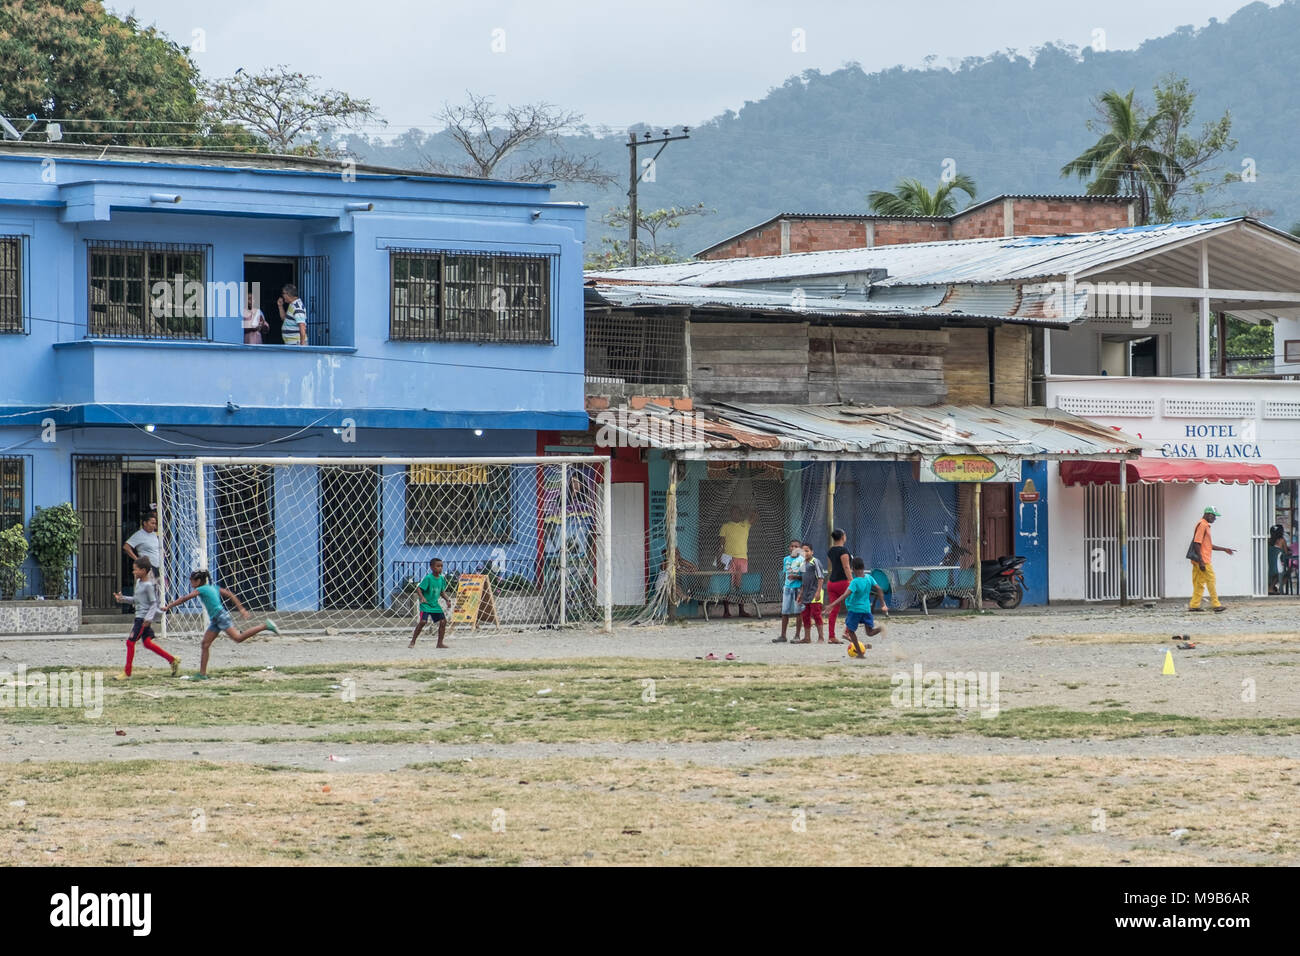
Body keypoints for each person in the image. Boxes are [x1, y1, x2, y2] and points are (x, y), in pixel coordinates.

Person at [161, 570, 278, 679]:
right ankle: (202, 674)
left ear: (198, 581)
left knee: (238, 638)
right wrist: (241, 608)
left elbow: (183, 599)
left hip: (220, 617)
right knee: (205, 644)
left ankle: (265, 626)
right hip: (216, 619)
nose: (190, 582)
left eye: (192, 580)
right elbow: (230, 594)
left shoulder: (202, 589)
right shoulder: (213, 587)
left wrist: (168, 606)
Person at [112, 557, 179, 679]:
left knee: (130, 642)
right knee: (147, 643)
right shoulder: (138, 583)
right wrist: (123, 599)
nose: (134, 572)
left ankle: (127, 672)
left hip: (142, 620)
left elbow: (153, 604)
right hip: (140, 617)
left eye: (135, 570)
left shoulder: (148, 585)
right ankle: (172, 660)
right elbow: (136, 600)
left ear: (143, 571)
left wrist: (148, 619)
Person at [824, 557, 886, 657]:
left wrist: (832, 604)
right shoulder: (869, 578)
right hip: (866, 610)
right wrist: (883, 604)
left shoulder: (855, 582)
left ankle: (860, 653)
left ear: (853, 569)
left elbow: (845, 595)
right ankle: (881, 628)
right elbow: (879, 589)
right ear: (863, 567)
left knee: (851, 632)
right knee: (869, 632)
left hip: (855, 610)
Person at [1188, 506, 1235, 613]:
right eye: (1214, 516)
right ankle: (1216, 605)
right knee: (1211, 581)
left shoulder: (1204, 525)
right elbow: (1196, 543)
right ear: (1208, 514)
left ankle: (1194, 605)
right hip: (1203, 560)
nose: (1215, 519)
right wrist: (1201, 561)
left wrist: (1224, 549)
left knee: (1199, 583)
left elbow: (1207, 545)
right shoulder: (1203, 525)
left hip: (1199, 560)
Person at [717, 506, 759, 618]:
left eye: (738, 512)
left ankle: (741, 610)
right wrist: (719, 558)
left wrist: (748, 511)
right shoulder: (725, 526)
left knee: (740, 585)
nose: (736, 514)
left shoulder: (745, 524)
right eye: (734, 512)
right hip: (729, 558)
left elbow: (755, 515)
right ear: (730, 514)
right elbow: (721, 544)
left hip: (742, 559)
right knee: (727, 585)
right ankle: (726, 611)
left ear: (741, 514)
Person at [410, 557, 449, 649]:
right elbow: (419, 588)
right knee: (423, 621)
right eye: (438, 566)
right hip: (426, 605)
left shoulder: (441, 579)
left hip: (435, 605)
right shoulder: (428, 578)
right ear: (432, 567)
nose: (440, 568)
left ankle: (440, 643)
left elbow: (442, 592)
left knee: (443, 622)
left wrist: (447, 600)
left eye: (441, 566)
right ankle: (413, 641)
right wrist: (422, 598)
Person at [773, 538, 805, 643]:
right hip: (787, 588)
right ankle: (783, 635)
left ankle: (797, 635)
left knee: (798, 612)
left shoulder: (802, 560)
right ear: (789, 548)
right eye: (792, 546)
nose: (794, 548)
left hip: (798, 588)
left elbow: (804, 577)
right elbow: (786, 573)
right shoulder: (786, 559)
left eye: (796, 546)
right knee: (785, 612)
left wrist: (796, 577)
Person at [794, 542, 825, 643]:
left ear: (812, 552)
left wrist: (818, 592)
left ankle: (821, 637)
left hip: (815, 593)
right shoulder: (802, 564)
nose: (805, 553)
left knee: (816, 614)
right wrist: (800, 594)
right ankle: (807, 638)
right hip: (805, 594)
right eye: (803, 551)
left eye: (807, 551)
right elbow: (803, 581)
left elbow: (820, 578)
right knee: (805, 615)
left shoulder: (815, 562)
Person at [825, 529, 852, 642]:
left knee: (834, 609)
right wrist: (851, 580)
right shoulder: (843, 551)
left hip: (832, 583)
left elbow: (832, 566)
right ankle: (847, 632)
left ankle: (831, 636)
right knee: (853, 606)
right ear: (842, 537)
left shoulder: (830, 551)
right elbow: (846, 567)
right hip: (842, 582)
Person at [1268, 524, 1289, 594]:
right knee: (1289, 572)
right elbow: (1286, 553)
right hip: (1279, 564)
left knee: (1278, 574)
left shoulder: (1269, 540)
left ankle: (1274, 587)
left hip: (1270, 564)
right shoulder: (1282, 540)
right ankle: (1273, 588)